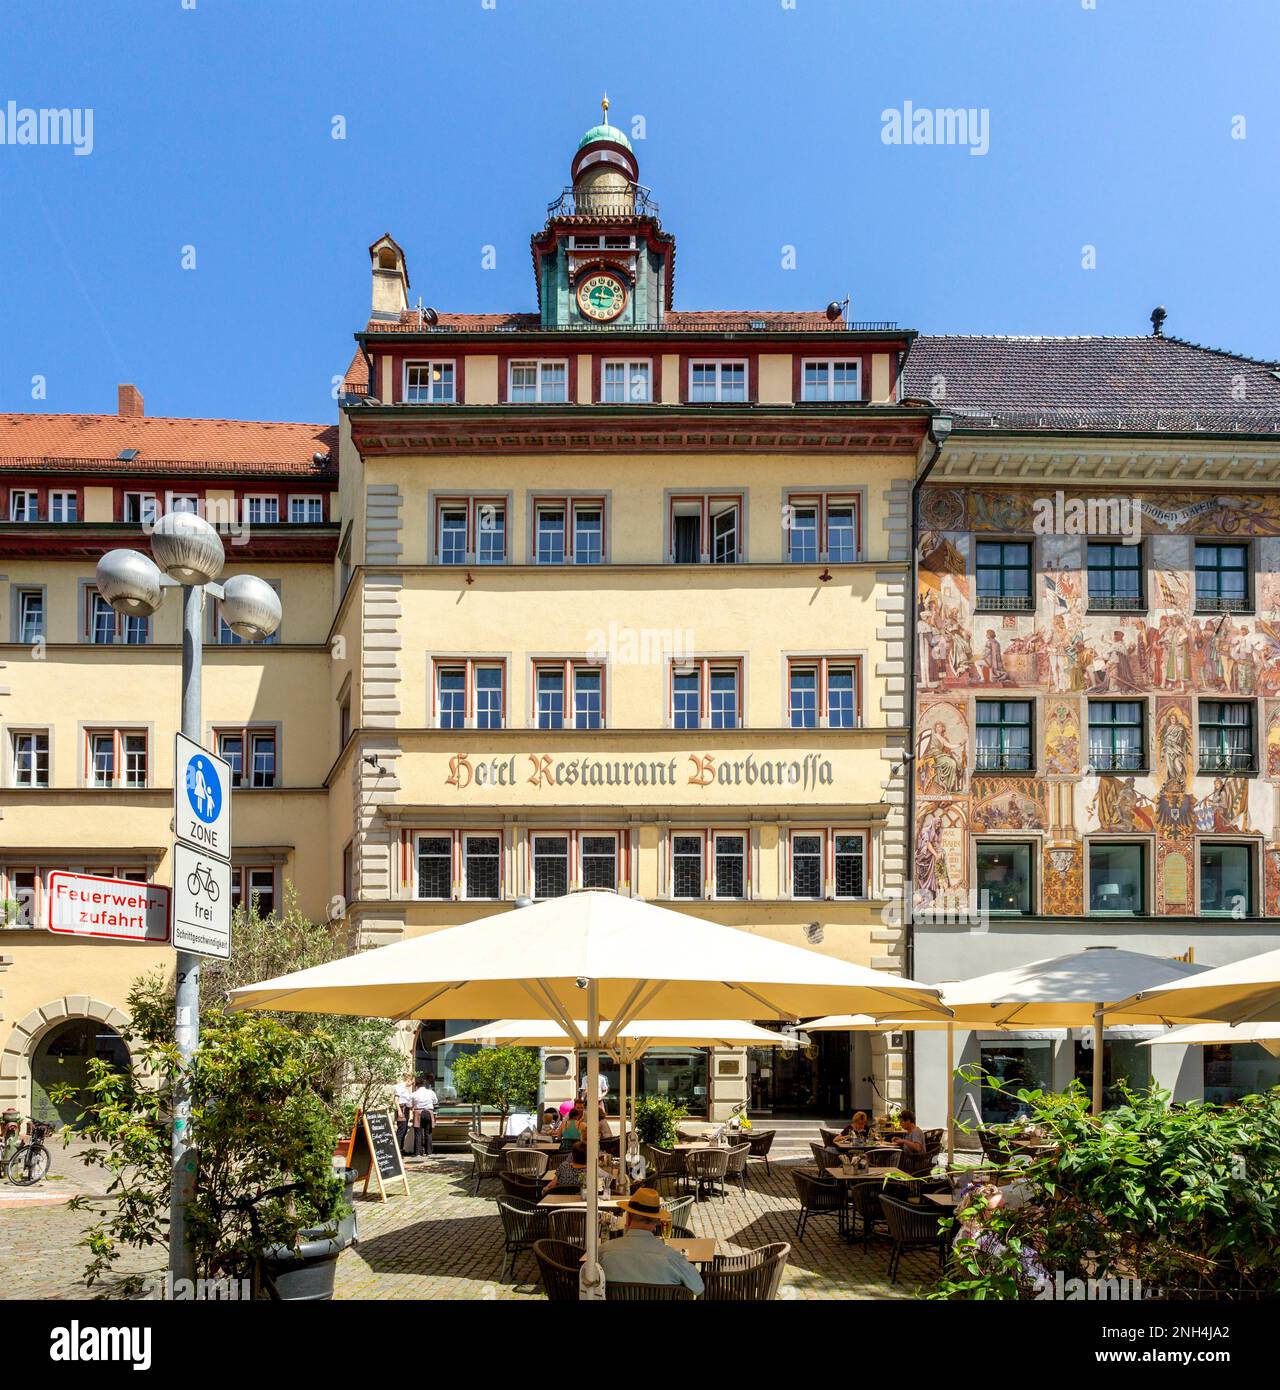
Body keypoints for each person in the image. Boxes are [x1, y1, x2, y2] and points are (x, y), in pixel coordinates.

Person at [597, 1187, 704, 1296]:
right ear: (657, 1221)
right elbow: (698, 1287)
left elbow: (587, 1283)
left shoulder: (603, 1252)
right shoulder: (671, 1258)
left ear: (628, 1218)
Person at [411, 1073, 438, 1157]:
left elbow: (408, 1104)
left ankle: (417, 1153)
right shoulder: (430, 1092)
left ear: (416, 1085)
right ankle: (428, 1152)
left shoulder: (414, 1094)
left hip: (418, 1112)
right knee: (428, 1132)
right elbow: (435, 1101)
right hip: (428, 1112)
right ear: (423, 1084)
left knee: (418, 1133)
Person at [394, 1072, 414, 1155]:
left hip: (406, 1110)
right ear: (408, 1080)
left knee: (405, 1129)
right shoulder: (399, 1087)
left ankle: (401, 1150)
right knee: (401, 1130)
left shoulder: (406, 1088)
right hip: (401, 1109)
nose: (412, 1084)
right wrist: (399, 1111)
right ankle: (397, 1151)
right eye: (412, 1082)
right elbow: (396, 1100)